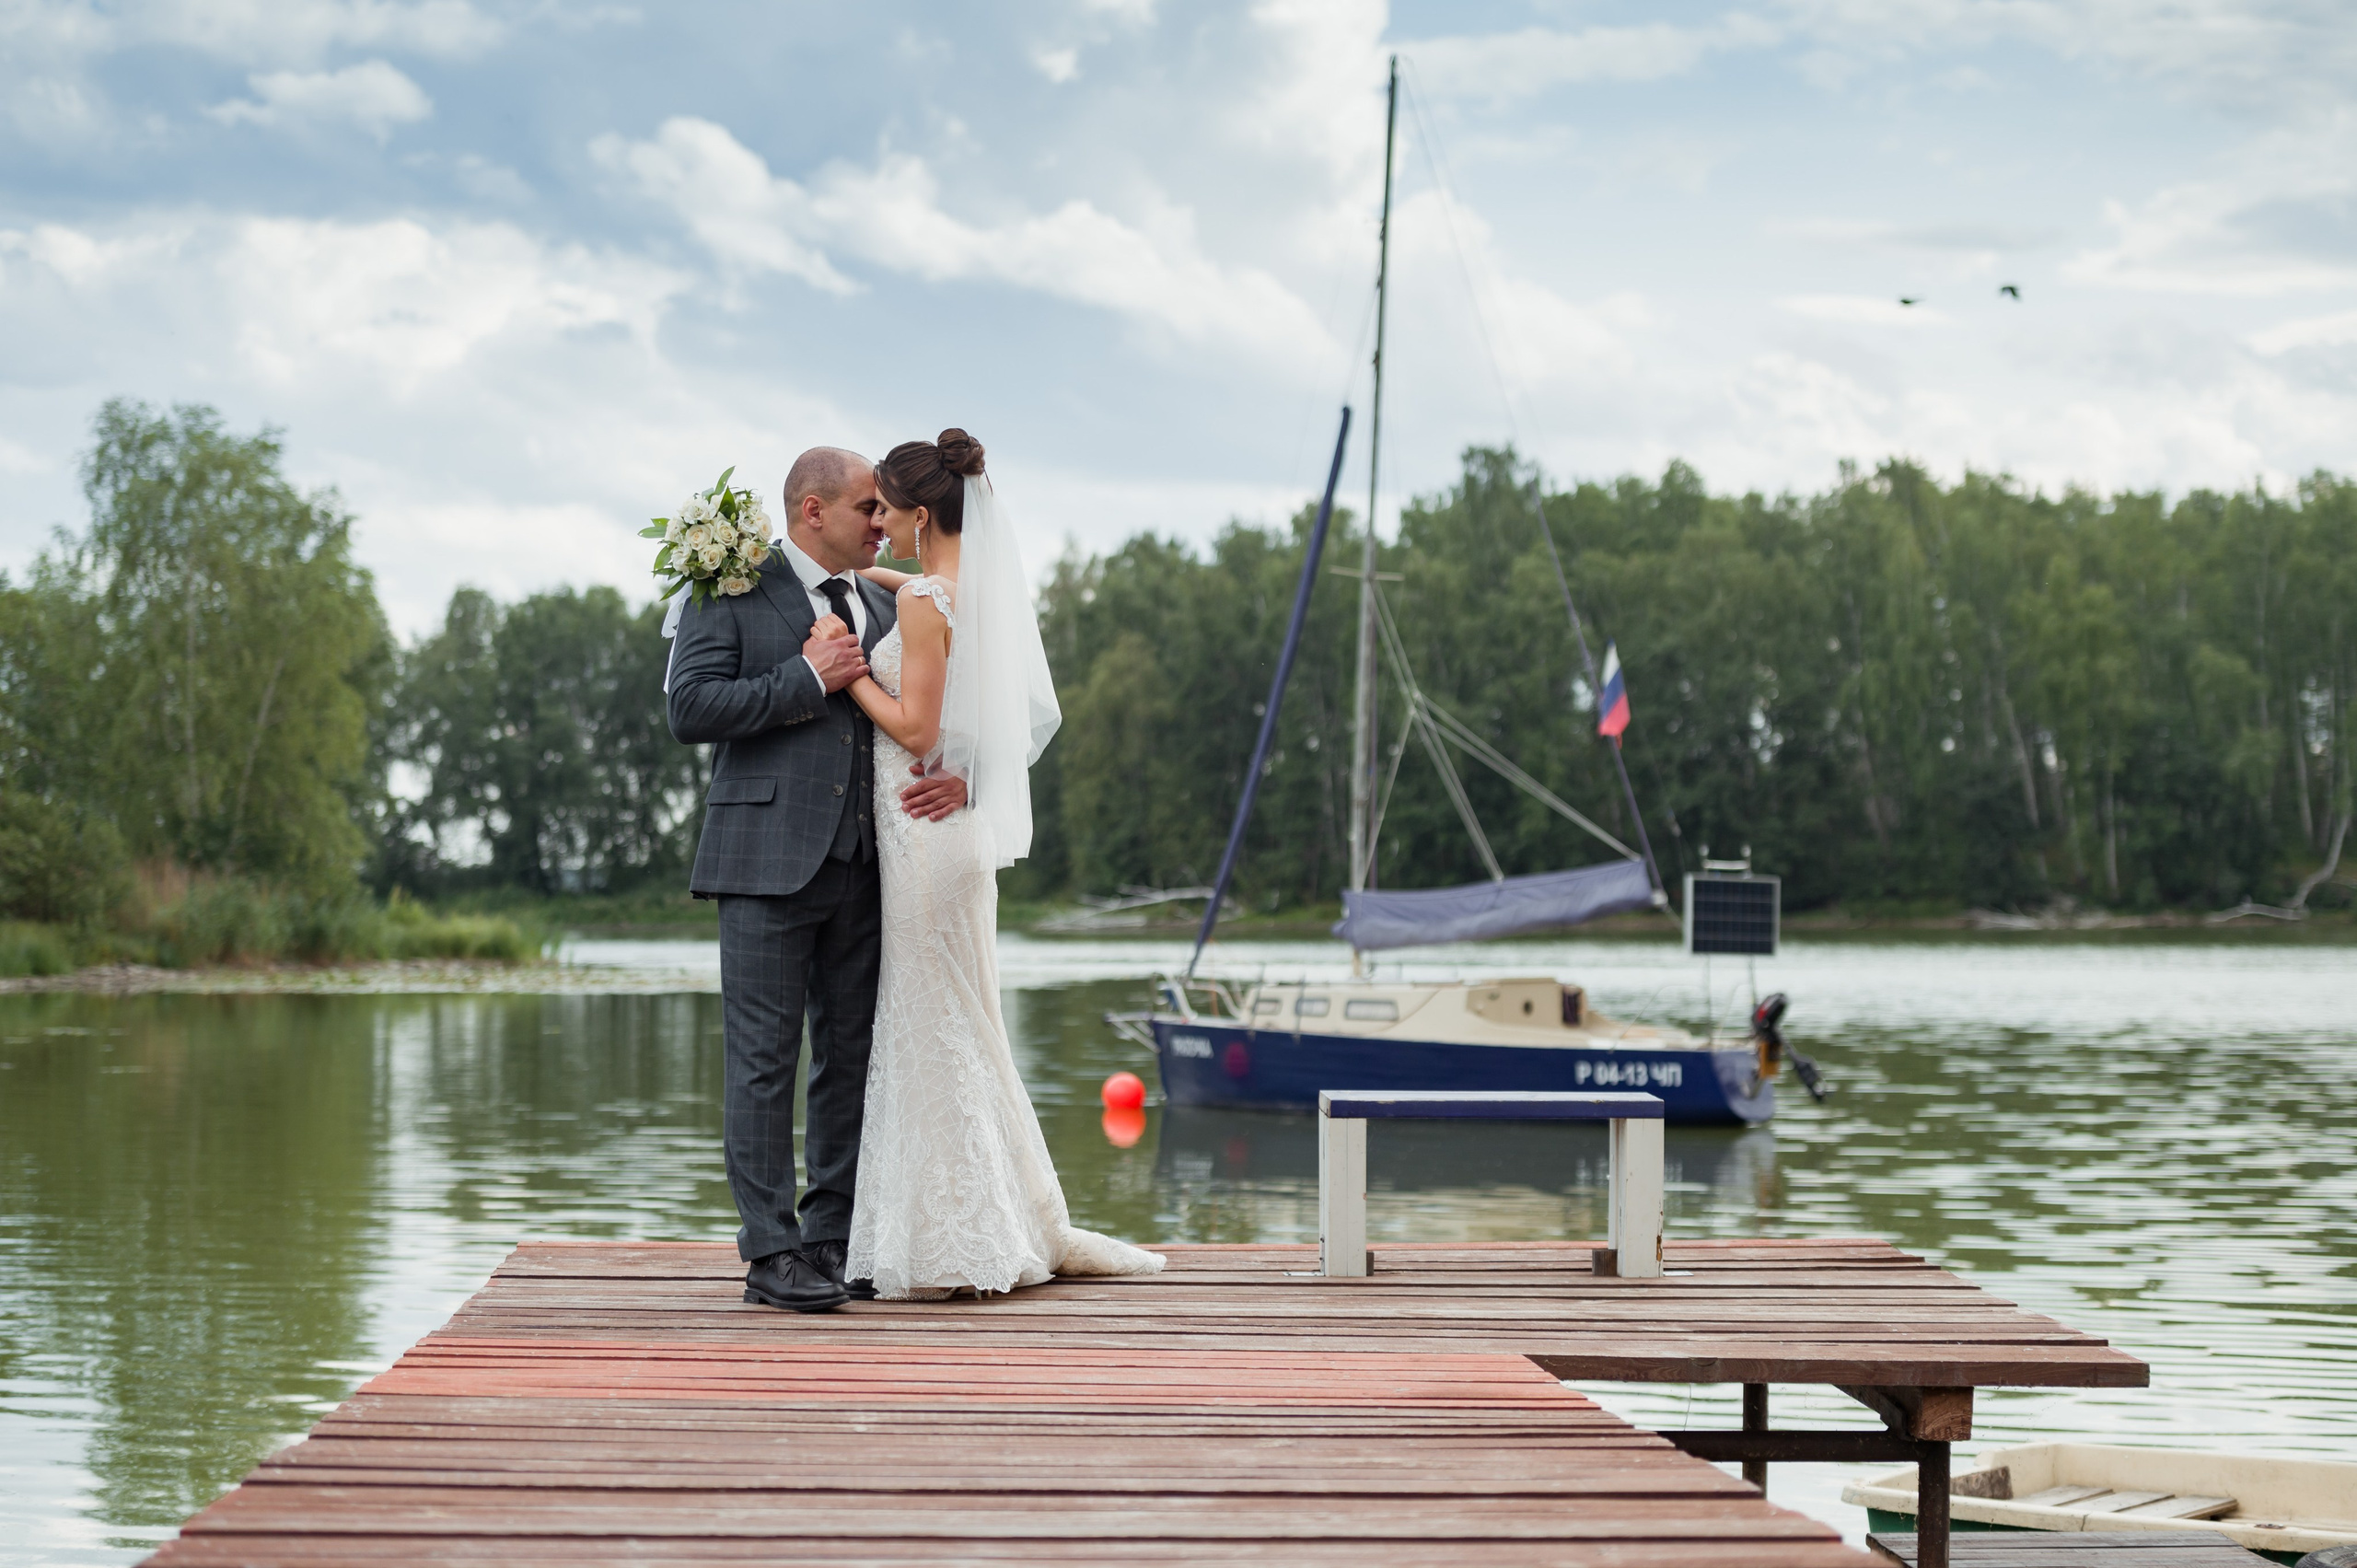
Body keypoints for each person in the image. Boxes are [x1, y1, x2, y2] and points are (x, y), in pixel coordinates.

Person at [825, 429, 1164, 1298]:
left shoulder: (925, 606)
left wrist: (849, 674)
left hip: (923, 835)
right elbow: (936, 618)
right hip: (955, 835)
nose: (881, 526)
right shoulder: (972, 592)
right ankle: (984, 1212)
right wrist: (877, 582)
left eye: (888, 512)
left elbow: (917, 730)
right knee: (963, 1018)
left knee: (934, 1016)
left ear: (922, 509)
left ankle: (957, 1233)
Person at [666, 447, 968, 1313]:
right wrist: (807, 678)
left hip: (871, 863)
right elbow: (690, 707)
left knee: (850, 1055)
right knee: (763, 1061)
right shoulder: (727, 586)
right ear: (812, 511)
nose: (884, 522)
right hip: (763, 860)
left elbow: (945, 713)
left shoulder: (883, 597)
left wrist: (965, 778)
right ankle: (770, 1254)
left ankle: (832, 1237)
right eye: (869, 508)